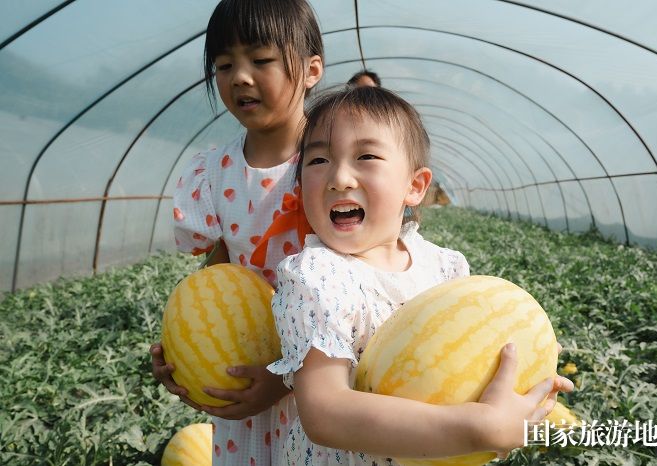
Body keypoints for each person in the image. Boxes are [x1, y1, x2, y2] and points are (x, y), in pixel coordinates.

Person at [267, 86, 574, 465]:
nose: (340, 178)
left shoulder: (443, 267)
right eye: (317, 161)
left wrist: (528, 359)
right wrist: (477, 427)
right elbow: (324, 412)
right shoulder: (316, 278)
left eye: (366, 156)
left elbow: (470, 359)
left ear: (414, 187)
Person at [149, 0, 324, 464]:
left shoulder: (330, 164)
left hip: (323, 380)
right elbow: (218, 273)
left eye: (261, 60)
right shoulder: (213, 171)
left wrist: (289, 376)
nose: (240, 77)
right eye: (225, 65)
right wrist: (183, 350)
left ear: (310, 70)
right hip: (243, 395)